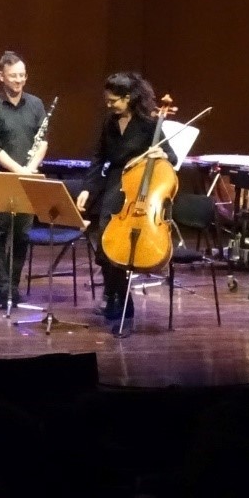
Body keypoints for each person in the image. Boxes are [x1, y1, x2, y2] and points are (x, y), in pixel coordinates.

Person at [77, 71, 177, 322]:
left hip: (137, 187)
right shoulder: (109, 122)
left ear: (128, 98)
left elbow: (172, 157)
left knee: (118, 246)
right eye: (107, 101)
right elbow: (99, 157)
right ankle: (116, 295)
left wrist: (161, 154)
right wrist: (87, 188)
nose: (109, 105)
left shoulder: (149, 123)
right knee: (105, 243)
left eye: (113, 101)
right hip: (112, 183)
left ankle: (120, 299)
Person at [0, 51, 48, 309]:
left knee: (22, 235)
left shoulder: (36, 104)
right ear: (1, 77)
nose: (18, 80)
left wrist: (31, 168)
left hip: (28, 176)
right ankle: (1, 289)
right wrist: (19, 170)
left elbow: (43, 140)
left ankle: (13, 287)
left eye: (22, 75)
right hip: (1, 178)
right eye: (13, 76)